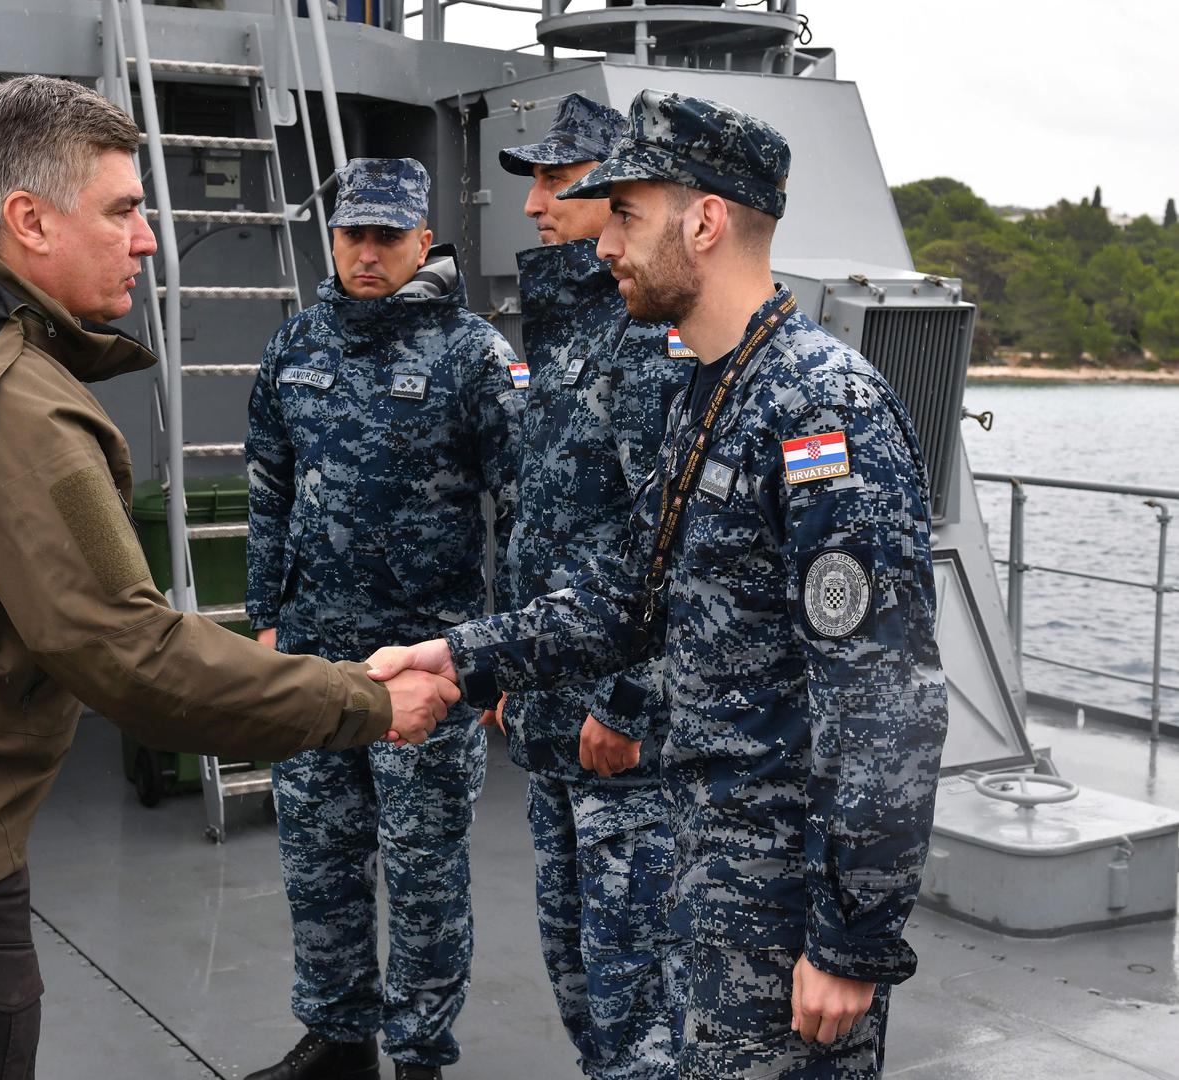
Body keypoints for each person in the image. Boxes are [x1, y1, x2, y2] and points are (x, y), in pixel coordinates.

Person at [0, 76, 458, 1080]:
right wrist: (363, 701)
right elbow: (133, 658)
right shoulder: (11, 403)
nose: (147, 240)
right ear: (29, 222)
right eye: (124, 211)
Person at [367, 90, 949, 1078]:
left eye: (627, 216)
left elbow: (886, 698)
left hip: (774, 905)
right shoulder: (711, 395)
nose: (604, 247)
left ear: (706, 221)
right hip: (691, 870)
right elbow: (622, 602)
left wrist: (852, 940)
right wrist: (460, 656)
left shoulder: (820, 406)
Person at [243, 157, 524, 1080]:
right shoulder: (296, 345)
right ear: (333, 238)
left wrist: (499, 658)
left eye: (386, 237)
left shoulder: (473, 353)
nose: (367, 253)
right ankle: (337, 1038)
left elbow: (518, 508)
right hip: (314, 660)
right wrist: (266, 619)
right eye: (352, 234)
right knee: (318, 861)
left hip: (427, 666)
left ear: (422, 240)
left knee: (424, 872)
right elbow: (269, 487)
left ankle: (417, 1058)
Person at [497, 92, 690, 1079]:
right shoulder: (563, 334)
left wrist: (625, 704)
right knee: (577, 974)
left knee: (638, 994)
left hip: (618, 738)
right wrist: (511, 671)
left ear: (615, 197)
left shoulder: (643, 338)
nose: (534, 205)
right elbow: (538, 523)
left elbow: (671, 540)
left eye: (552, 181)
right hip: (554, 718)